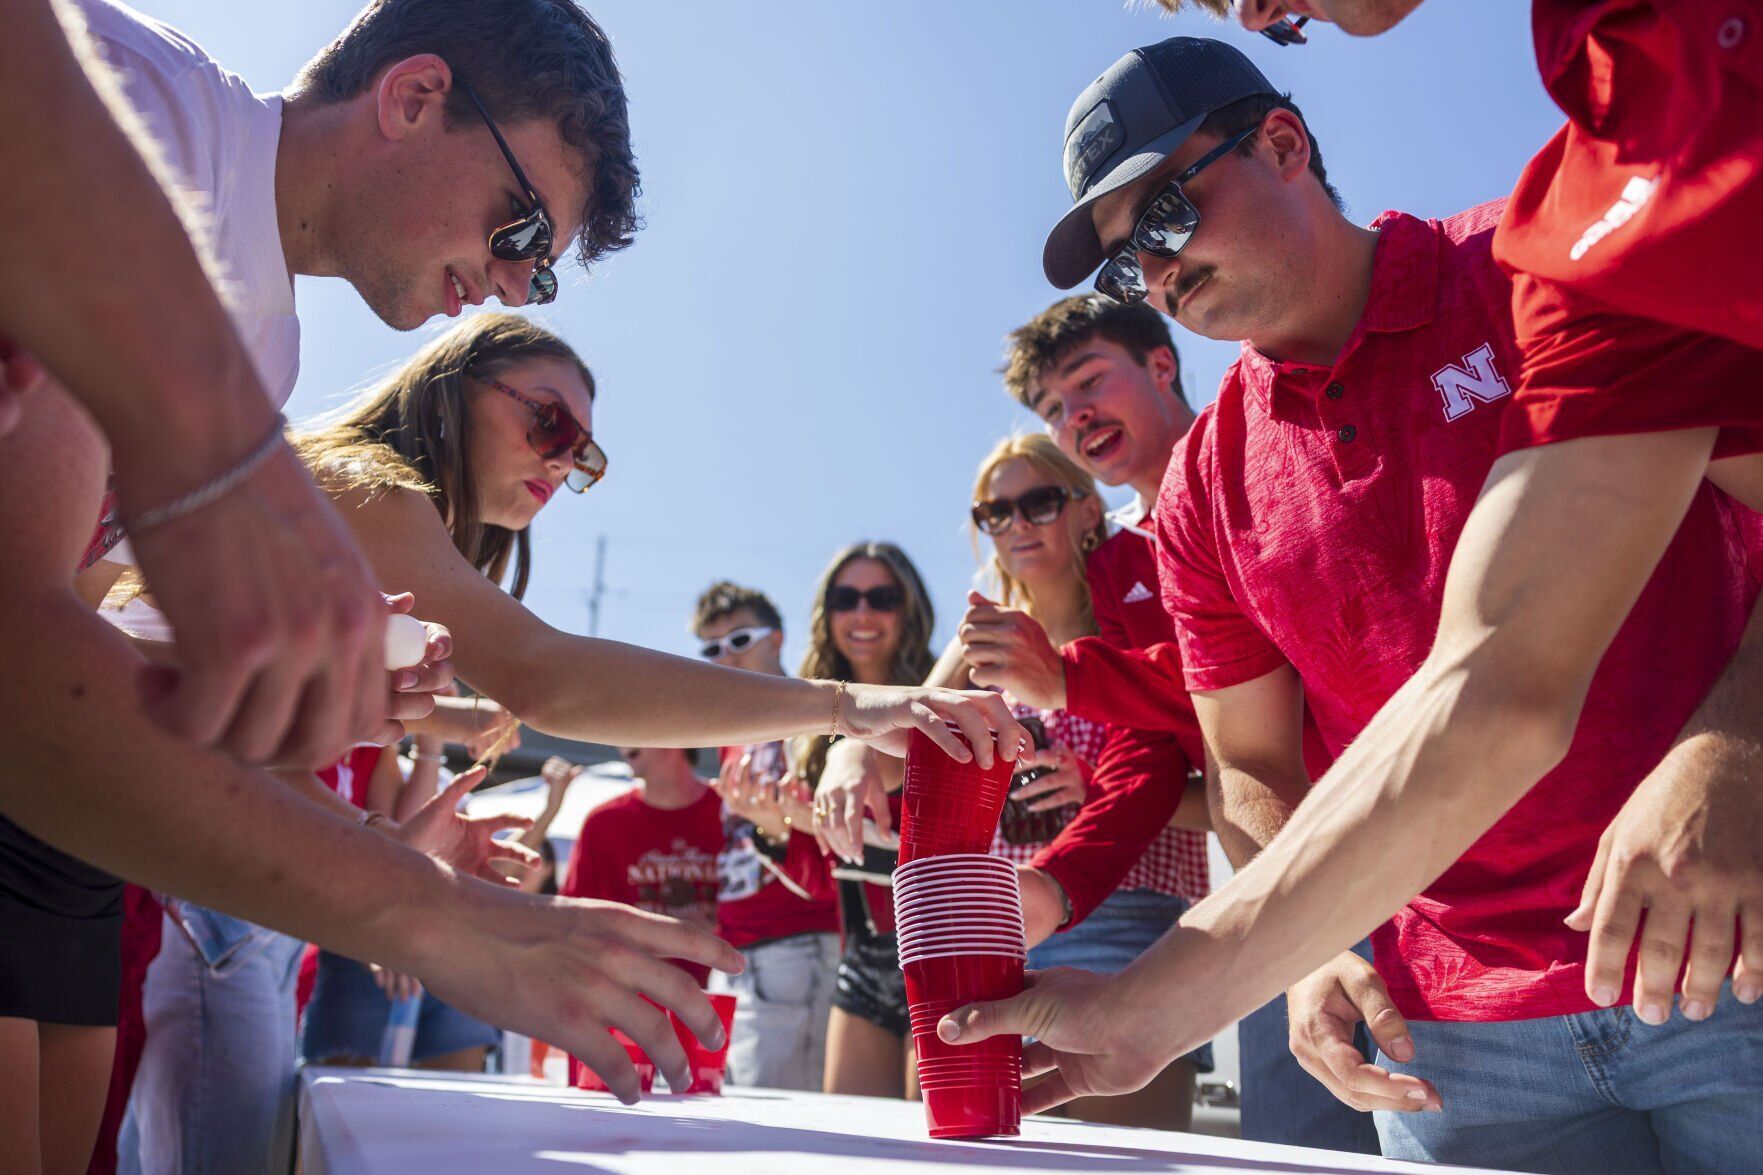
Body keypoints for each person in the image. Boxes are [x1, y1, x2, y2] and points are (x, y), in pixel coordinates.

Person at [941, 36, 1763, 1174]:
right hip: (1450, 1042)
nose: (1158, 273)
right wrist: (1302, 947)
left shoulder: (1542, 269)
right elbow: (1246, 766)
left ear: (1282, 142)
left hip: (1729, 949)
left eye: (1165, 215)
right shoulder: (1202, 487)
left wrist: (1736, 746)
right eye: (1127, 265)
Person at [116, 312, 1017, 1171]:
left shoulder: (382, 531)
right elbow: (549, 675)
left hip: (177, 876)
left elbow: (246, 749)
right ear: (452, 384)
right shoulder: (373, 490)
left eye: (581, 452)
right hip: (147, 877)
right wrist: (843, 705)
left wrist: (391, 854)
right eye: (547, 421)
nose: (561, 460)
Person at [962, 295, 1374, 1150]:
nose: (1073, 416)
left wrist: (1068, 676)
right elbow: (1148, 760)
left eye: (1087, 382)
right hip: (1262, 884)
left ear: (1159, 365)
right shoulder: (1114, 564)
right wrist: (1055, 882)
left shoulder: (1267, 460)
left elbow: (1285, 678)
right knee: (1292, 1145)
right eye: (1050, 408)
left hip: (1389, 848)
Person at [935, 432, 1214, 1130]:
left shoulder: (1134, 625)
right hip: (999, 927)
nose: (1015, 524)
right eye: (992, 513)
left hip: (1133, 917)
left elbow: (1221, 793)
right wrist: (846, 757)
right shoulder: (984, 645)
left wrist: (1092, 786)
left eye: (1037, 502)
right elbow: (895, 739)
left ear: (1088, 510)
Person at [803, 544, 940, 1099]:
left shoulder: (941, 693)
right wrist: (779, 822)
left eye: (881, 598)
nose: (862, 614)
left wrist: (850, 752)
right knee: (853, 1149)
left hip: (937, 948)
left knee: (939, 1151)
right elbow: (823, 852)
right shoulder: (806, 708)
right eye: (846, 598)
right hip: (860, 955)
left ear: (907, 610)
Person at [694, 582, 842, 1093]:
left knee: (781, 1114)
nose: (726, 657)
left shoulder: (814, 711)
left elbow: (837, 832)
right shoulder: (729, 731)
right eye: (712, 649)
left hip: (798, 943)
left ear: (777, 639)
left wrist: (777, 824)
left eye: (740, 640)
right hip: (737, 948)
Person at [562, 747, 724, 988]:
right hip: (633, 1000)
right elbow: (574, 921)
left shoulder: (734, 812)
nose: (620, 741)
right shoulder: (603, 824)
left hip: (732, 994)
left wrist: (717, 929)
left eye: (632, 722)